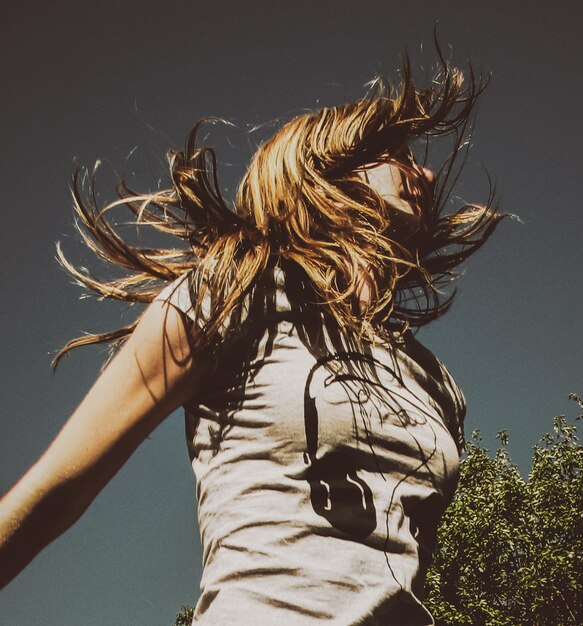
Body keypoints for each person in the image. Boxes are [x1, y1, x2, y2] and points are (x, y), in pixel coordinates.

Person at [0, 52, 504, 624]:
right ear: (329, 166)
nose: (427, 176)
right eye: (396, 157)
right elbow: (58, 488)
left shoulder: (434, 382)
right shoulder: (237, 293)